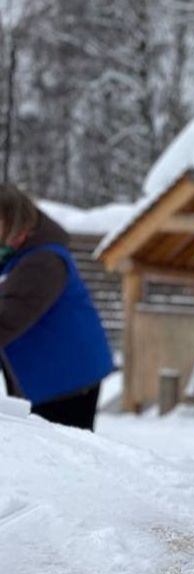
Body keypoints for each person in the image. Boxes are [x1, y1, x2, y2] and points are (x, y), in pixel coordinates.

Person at [0, 184, 114, 430]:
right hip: (53, 368)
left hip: (64, 378)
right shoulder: (21, 252)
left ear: (15, 224)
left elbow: (6, 320)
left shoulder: (42, 263)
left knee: (60, 453)